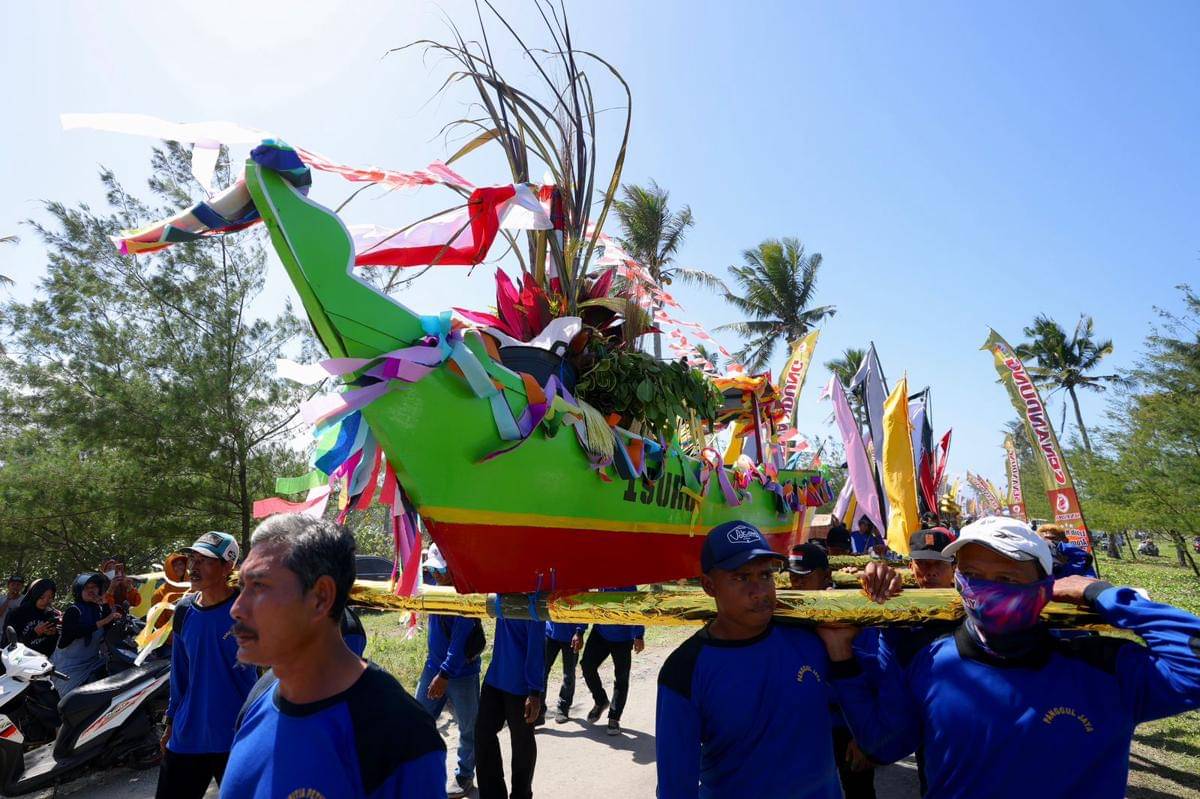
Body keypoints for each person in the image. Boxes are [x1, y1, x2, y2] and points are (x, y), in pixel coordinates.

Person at [824, 516, 1200, 799]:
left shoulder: (1103, 665)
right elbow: (883, 744)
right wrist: (843, 656)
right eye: (972, 574)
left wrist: (1098, 592)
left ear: (1045, 585)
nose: (986, 590)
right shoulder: (931, 662)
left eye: (1007, 579)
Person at [656, 520, 896, 798]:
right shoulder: (684, 670)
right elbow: (676, 788)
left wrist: (883, 593)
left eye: (765, 575)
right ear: (709, 586)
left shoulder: (811, 638)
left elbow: (883, 739)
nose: (759, 590)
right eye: (741, 578)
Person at [223, 514, 445, 798]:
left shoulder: (400, 735)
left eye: (259, 586)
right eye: (242, 587)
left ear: (320, 598)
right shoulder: (259, 696)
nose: (237, 608)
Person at [157, 531, 258, 799]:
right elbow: (179, 673)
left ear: (228, 567)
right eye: (193, 558)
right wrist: (170, 723)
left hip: (237, 735)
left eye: (205, 561)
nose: (194, 567)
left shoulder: (248, 609)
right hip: (190, 734)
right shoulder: (184, 610)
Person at [415, 545, 484, 799]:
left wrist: (444, 674)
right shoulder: (433, 585)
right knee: (418, 719)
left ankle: (465, 775)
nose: (435, 573)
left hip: (460, 673)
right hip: (432, 666)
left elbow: (460, 637)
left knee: (468, 727)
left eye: (439, 569)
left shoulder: (464, 592)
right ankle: (421, 771)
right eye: (432, 568)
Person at [475, 611, 544, 799]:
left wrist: (534, 692)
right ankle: (492, 794)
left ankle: (521, 795)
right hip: (495, 678)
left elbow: (537, 648)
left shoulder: (533, 600)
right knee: (482, 734)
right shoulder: (500, 593)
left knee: (522, 743)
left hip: (521, 687)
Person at [580, 586, 645, 736]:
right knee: (587, 665)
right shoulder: (602, 573)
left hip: (623, 637)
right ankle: (601, 700)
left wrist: (639, 635)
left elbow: (636, 607)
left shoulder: (628, 583)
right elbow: (590, 597)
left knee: (621, 678)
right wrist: (580, 630)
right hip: (600, 632)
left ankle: (614, 718)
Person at [52, 573, 121, 696]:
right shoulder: (73, 610)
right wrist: (105, 620)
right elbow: (76, 632)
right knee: (72, 705)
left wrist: (106, 604)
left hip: (92, 662)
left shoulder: (98, 609)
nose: (91, 590)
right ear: (79, 591)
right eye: (86, 587)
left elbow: (108, 628)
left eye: (94, 587)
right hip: (68, 668)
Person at [540, 620, 585, 725]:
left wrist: (580, 632)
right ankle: (539, 711)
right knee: (541, 672)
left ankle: (563, 707)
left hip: (572, 637)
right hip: (550, 634)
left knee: (568, 675)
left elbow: (584, 607)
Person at [9, 579, 59, 656]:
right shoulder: (17, 614)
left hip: (42, 661)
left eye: (50, 597)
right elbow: (10, 644)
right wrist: (35, 633)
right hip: (20, 661)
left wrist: (53, 633)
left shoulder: (50, 614)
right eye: (42, 597)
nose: (46, 601)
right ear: (35, 594)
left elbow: (53, 645)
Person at [150, 552, 190, 634]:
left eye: (180, 564)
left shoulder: (196, 587)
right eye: (174, 565)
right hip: (173, 642)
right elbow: (158, 623)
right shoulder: (160, 594)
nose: (178, 567)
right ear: (168, 568)